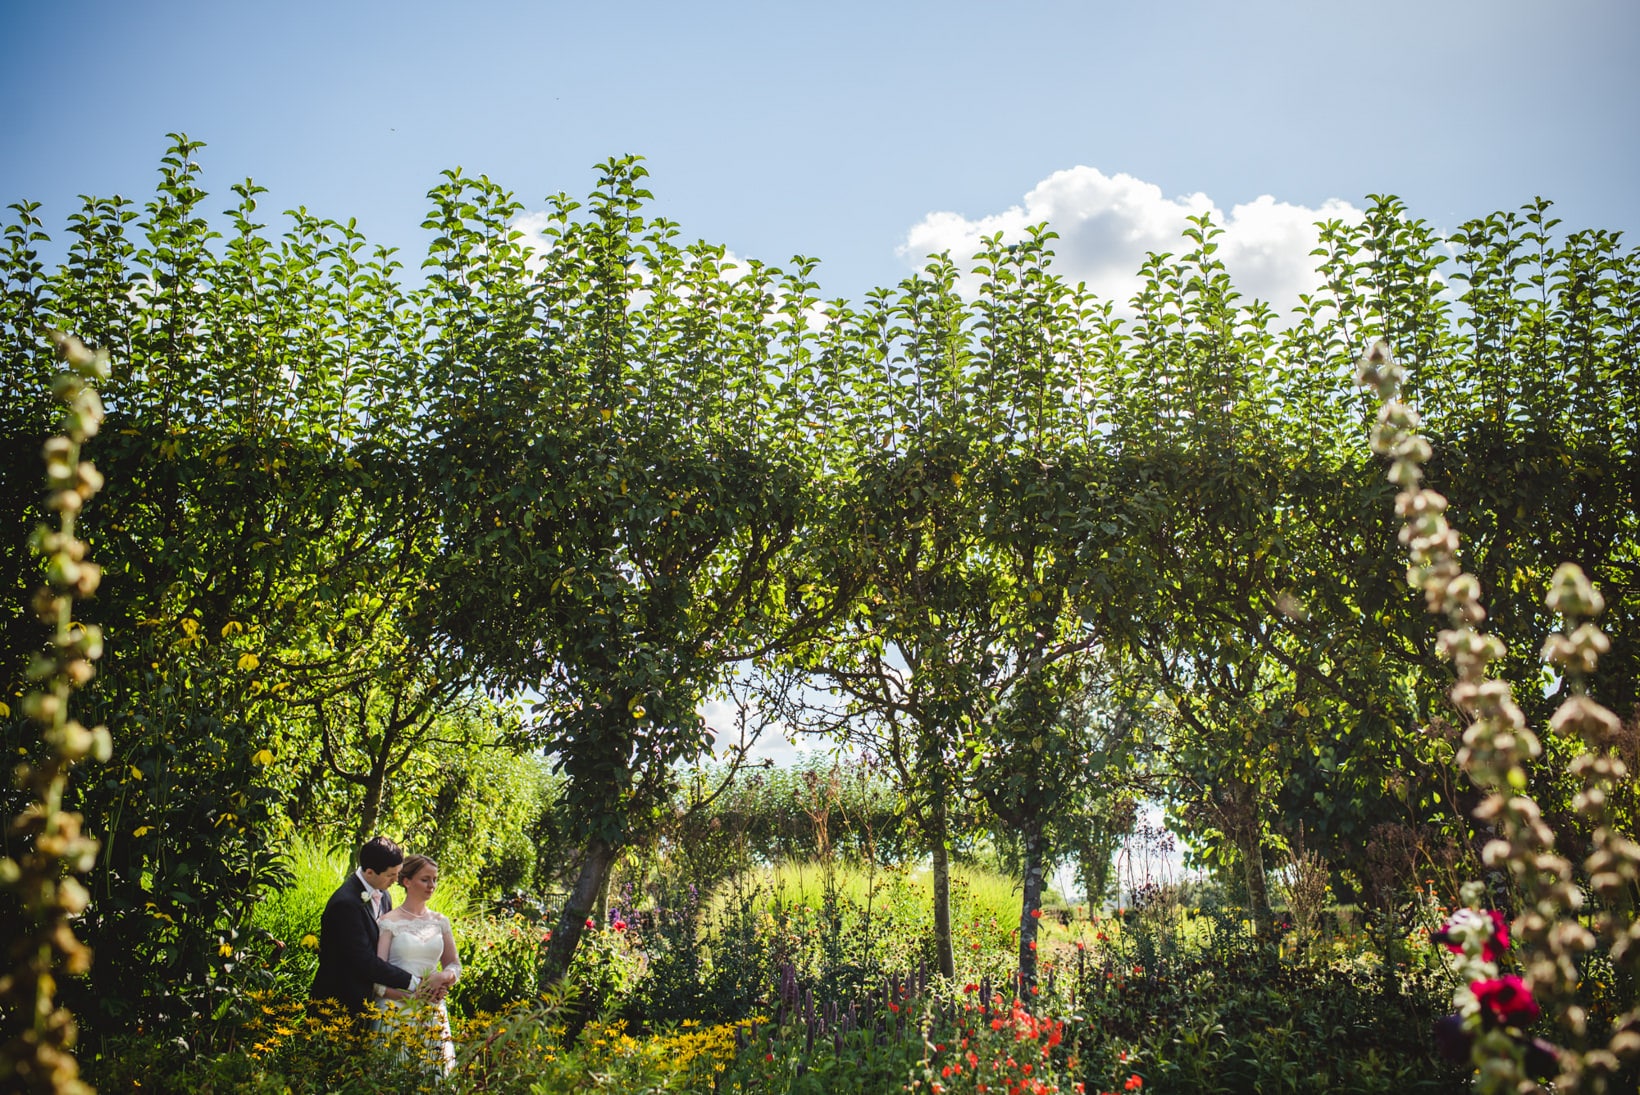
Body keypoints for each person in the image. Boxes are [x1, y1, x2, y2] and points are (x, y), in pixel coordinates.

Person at [309, 836, 419, 1015]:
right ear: (369, 873)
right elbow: (364, 960)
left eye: (398, 873)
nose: (396, 880)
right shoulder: (345, 904)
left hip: (367, 1000)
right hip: (338, 1003)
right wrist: (412, 982)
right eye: (391, 875)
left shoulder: (384, 895)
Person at [376, 853, 461, 1074]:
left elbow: (454, 965)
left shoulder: (441, 922)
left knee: (434, 1076)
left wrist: (441, 978)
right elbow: (377, 979)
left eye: (435, 879)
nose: (431, 885)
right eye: (425, 879)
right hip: (396, 1012)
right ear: (406, 881)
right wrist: (412, 997)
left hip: (432, 1011)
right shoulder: (388, 922)